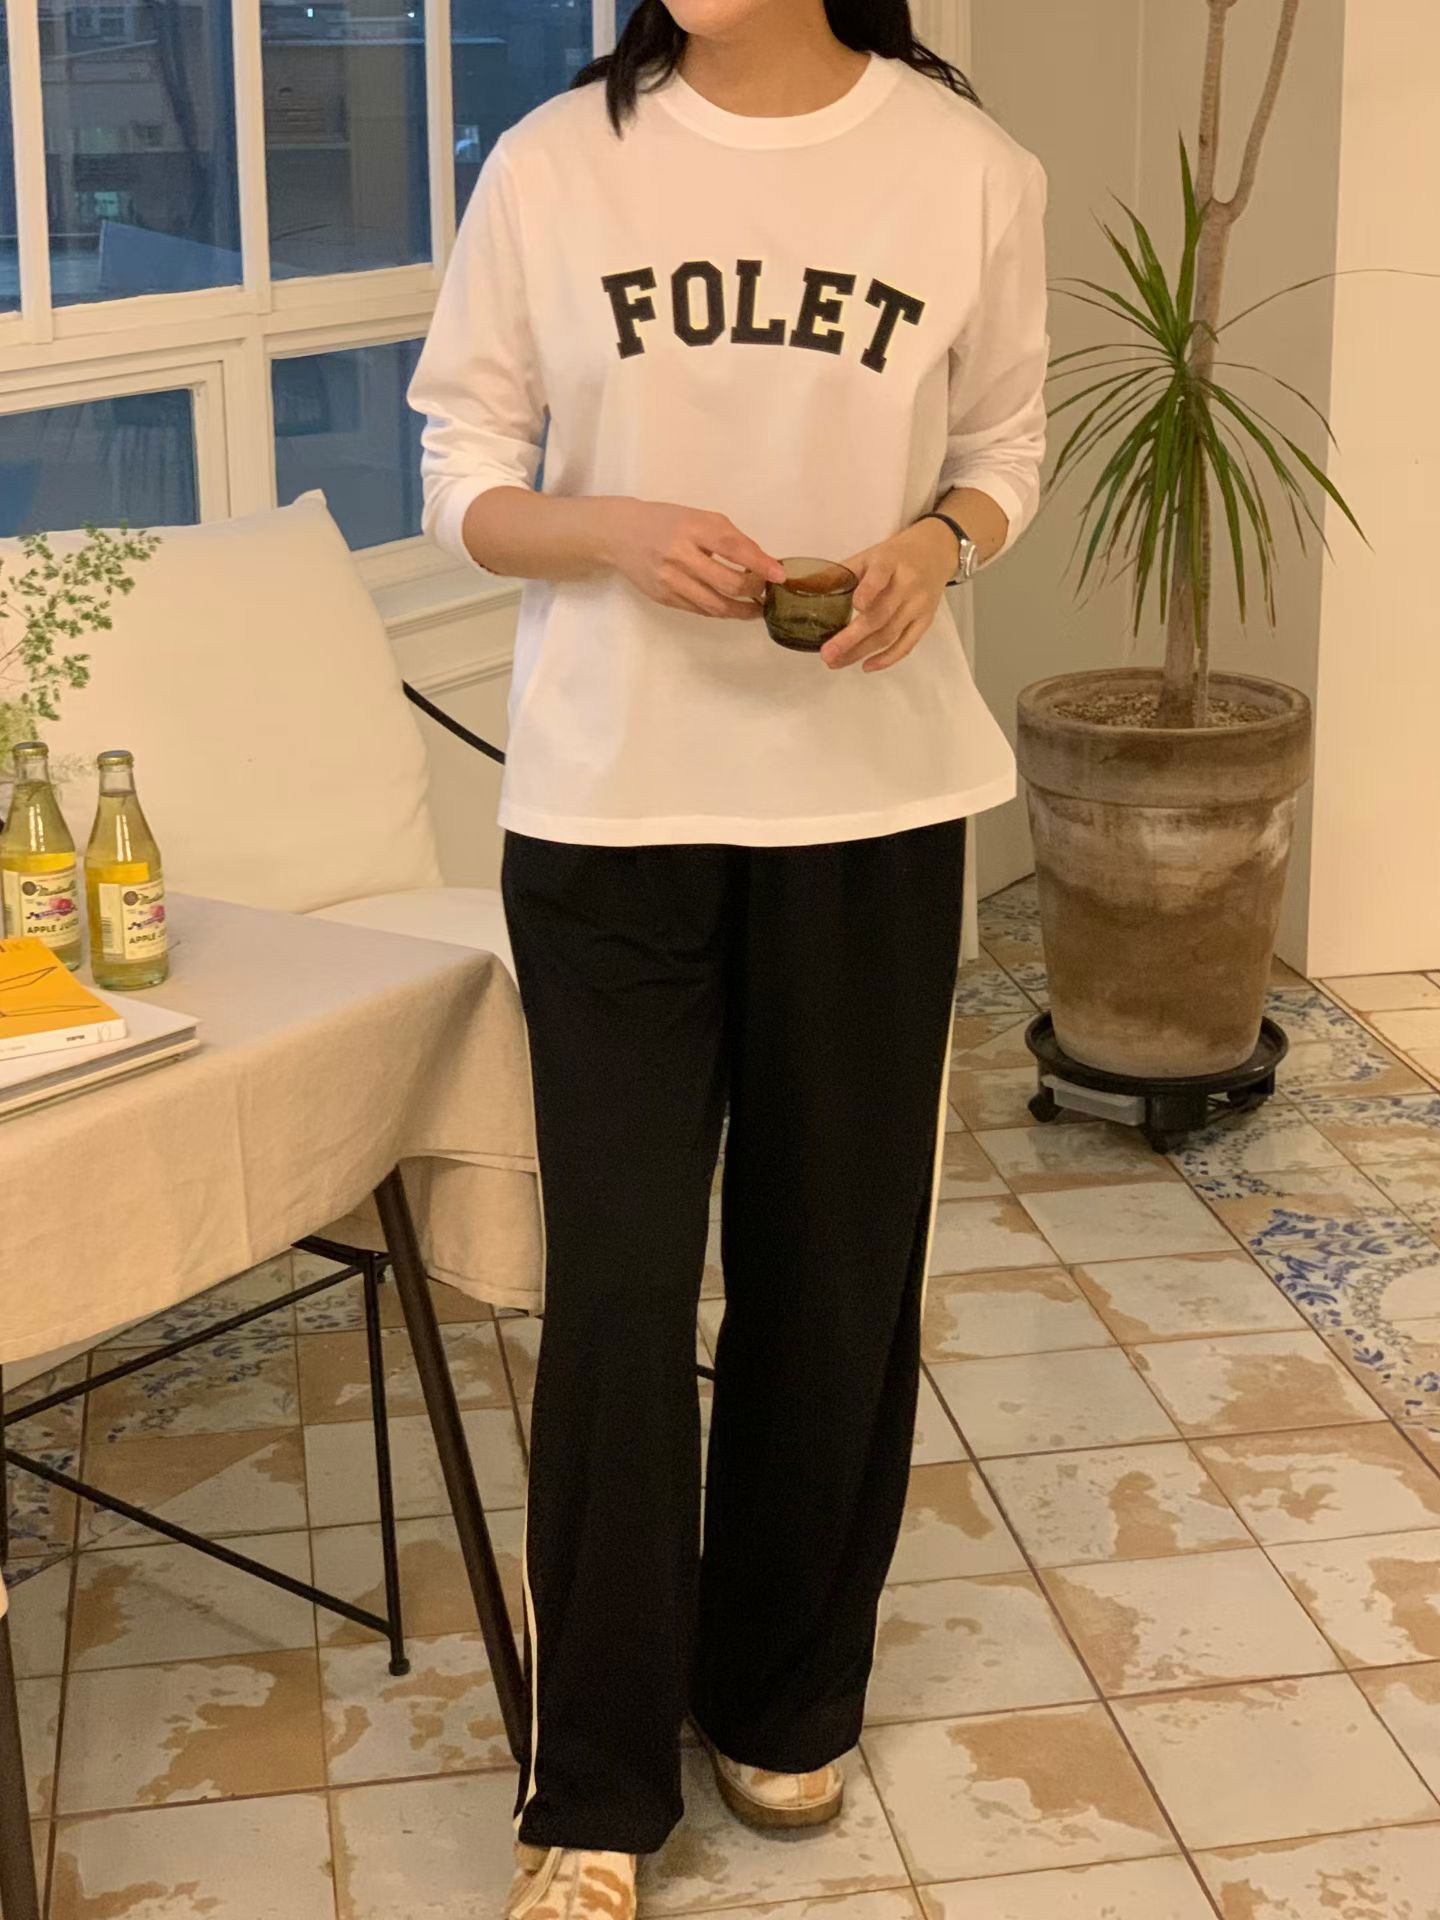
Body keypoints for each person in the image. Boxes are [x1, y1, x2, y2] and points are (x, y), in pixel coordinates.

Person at [409, 3, 1048, 1914]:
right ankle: (597, 1785)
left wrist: (940, 543)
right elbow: (460, 471)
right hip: (609, 812)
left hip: (874, 804)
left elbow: (1005, 446)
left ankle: (785, 1688)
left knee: (831, 1271)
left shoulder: (967, 168)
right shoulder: (553, 163)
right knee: (615, 1291)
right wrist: (612, 531)